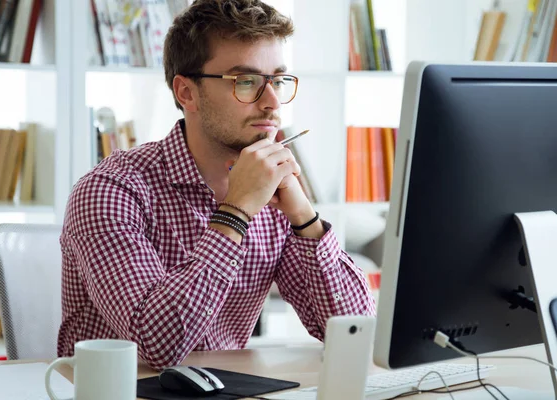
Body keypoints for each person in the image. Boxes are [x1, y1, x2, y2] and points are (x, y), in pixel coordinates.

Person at [57, 0, 375, 370]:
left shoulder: (274, 194)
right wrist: (236, 211)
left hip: (229, 391)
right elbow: (155, 346)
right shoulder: (110, 191)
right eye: (246, 81)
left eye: (278, 81)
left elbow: (353, 331)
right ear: (186, 92)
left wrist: (306, 218)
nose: (272, 103)